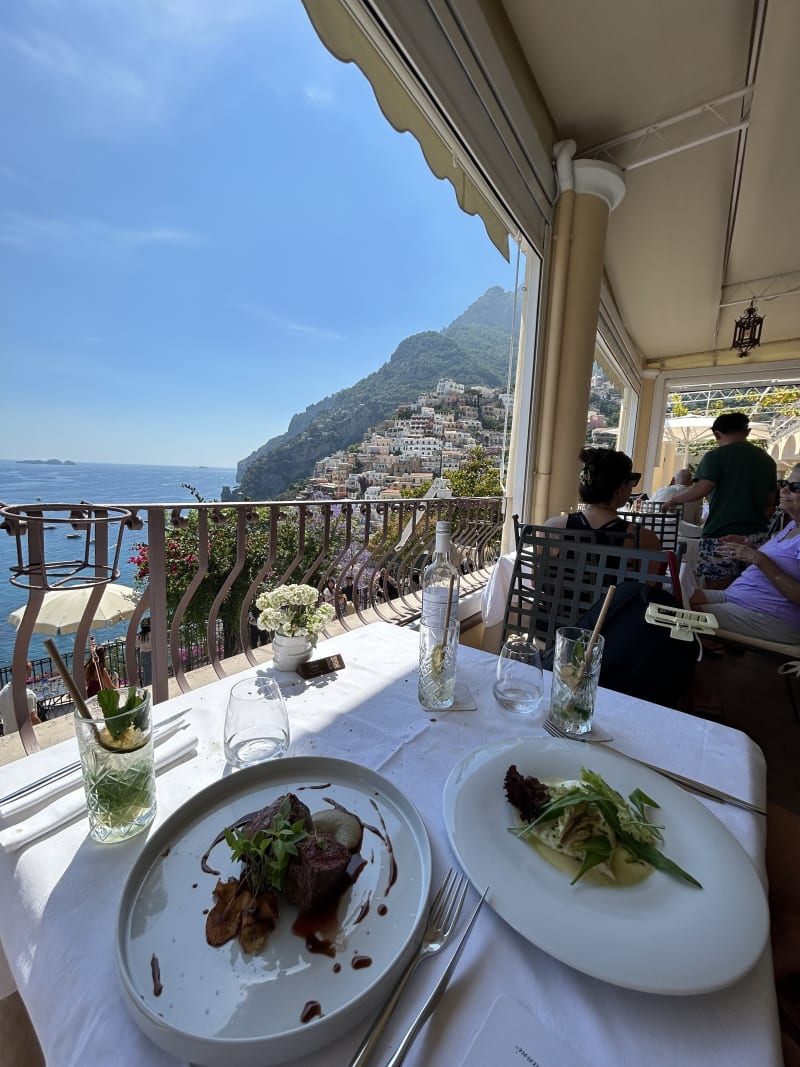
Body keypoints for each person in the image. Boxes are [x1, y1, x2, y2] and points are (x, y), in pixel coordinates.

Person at [689, 465, 800, 643]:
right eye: (784, 483)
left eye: (796, 487)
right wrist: (750, 548)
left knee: (678, 613)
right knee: (673, 596)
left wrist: (757, 558)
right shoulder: (792, 527)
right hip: (739, 597)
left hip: (773, 616)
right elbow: (780, 564)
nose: (784, 489)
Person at [667, 412, 777, 588]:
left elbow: (701, 489)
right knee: (751, 589)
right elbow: (770, 501)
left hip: (721, 533)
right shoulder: (767, 461)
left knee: (717, 592)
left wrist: (674, 500)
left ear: (717, 434)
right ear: (747, 431)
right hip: (757, 536)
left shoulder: (716, 456)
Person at [545, 447, 662, 551]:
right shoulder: (643, 539)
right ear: (620, 488)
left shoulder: (552, 527)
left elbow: (539, 572)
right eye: (631, 481)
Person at [136, 616, 152, 686]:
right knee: (151, 673)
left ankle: (146, 687)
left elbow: (137, 645)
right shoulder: (151, 634)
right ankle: (150, 686)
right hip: (151, 654)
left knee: (146, 673)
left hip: (143, 655)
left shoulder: (139, 636)